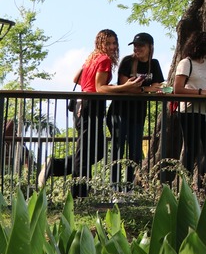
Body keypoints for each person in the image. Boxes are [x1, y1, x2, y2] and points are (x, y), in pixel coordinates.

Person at [39, 29, 144, 197]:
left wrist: (89, 84)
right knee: (85, 150)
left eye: (114, 43)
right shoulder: (103, 60)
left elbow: (76, 79)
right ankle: (79, 194)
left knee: (98, 150)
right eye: (107, 43)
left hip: (84, 105)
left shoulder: (92, 57)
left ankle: (58, 167)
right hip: (91, 106)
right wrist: (127, 87)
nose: (111, 47)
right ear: (99, 43)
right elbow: (100, 88)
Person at [108, 32, 165, 192]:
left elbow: (159, 86)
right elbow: (125, 86)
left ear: (150, 47)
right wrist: (146, 89)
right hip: (120, 111)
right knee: (118, 149)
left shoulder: (154, 64)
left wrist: (163, 89)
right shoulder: (127, 61)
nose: (137, 48)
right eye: (135, 45)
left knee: (135, 152)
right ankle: (114, 188)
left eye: (141, 45)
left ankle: (130, 188)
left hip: (138, 113)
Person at [174, 31, 206, 188]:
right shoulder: (186, 63)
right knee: (191, 148)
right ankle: (184, 186)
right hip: (189, 111)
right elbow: (178, 89)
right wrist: (200, 92)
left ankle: (202, 184)